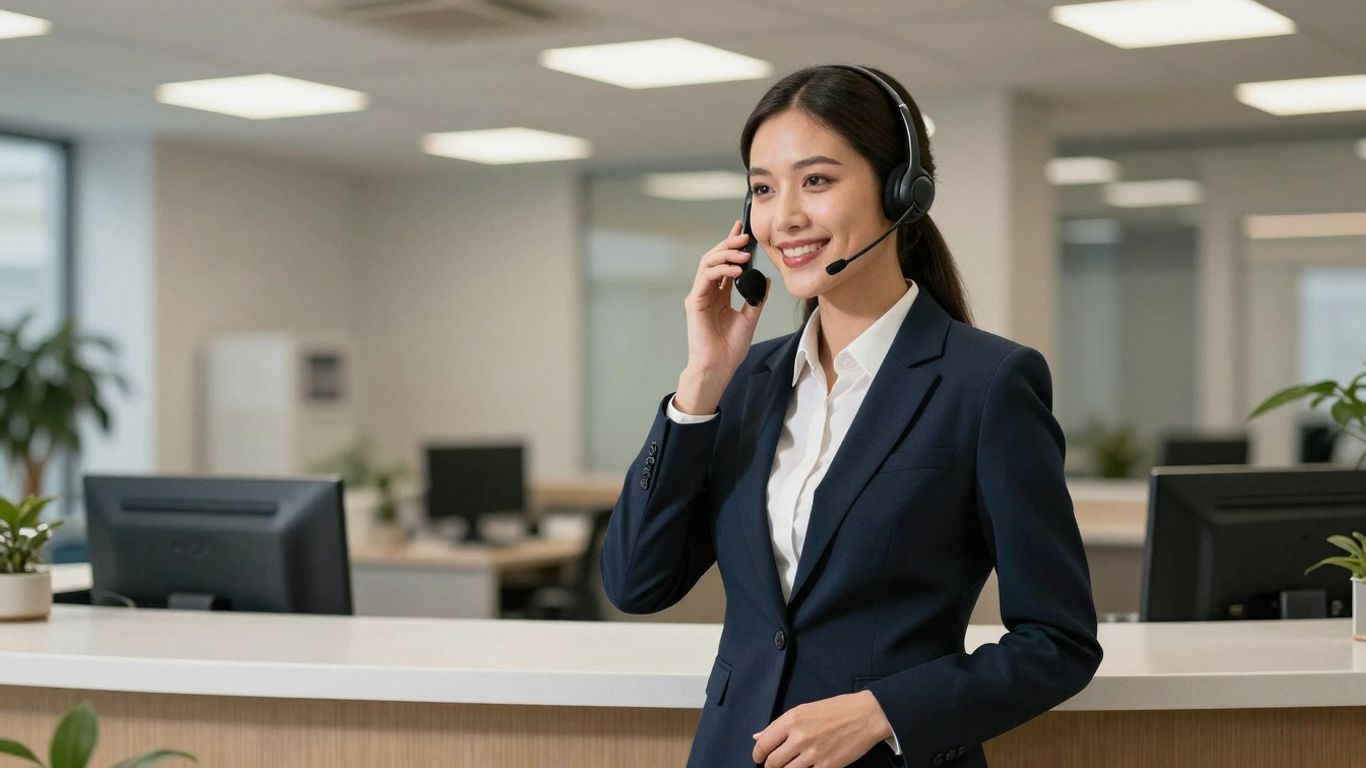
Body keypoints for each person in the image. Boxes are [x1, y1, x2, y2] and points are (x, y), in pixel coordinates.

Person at [600, 64, 1102, 768]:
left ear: (902, 190)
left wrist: (883, 712)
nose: (785, 218)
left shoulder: (986, 384)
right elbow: (635, 584)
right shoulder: (745, 385)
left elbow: (1060, 641)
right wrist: (700, 386)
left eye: (817, 180)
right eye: (763, 189)